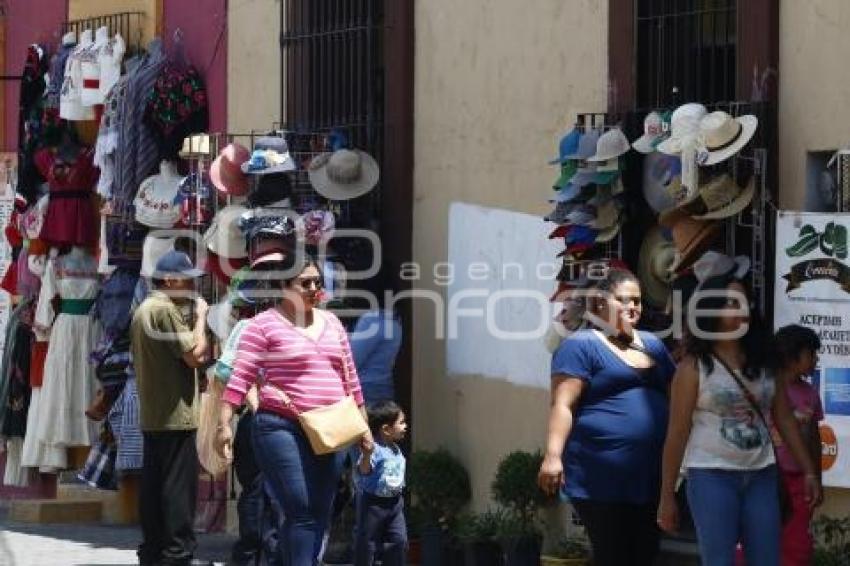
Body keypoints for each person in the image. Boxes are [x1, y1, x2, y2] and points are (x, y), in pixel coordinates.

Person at [657, 268, 823, 566]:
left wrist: (810, 471)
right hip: (710, 475)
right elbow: (677, 432)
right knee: (719, 560)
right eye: (731, 303)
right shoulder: (693, 367)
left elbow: (784, 419)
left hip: (762, 474)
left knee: (767, 559)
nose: (741, 309)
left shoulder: (765, 362)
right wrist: (666, 495)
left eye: (745, 302)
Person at [216, 254, 373, 565]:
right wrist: (224, 424)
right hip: (280, 425)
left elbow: (350, 377)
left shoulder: (332, 323)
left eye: (317, 282)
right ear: (284, 286)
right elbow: (241, 376)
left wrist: (363, 425)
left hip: (331, 426)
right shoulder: (262, 326)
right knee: (299, 509)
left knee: (319, 511)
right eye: (305, 283)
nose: (313, 288)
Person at [538, 267, 676, 566]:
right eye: (623, 300)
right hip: (599, 476)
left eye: (637, 301)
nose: (632, 307)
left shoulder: (653, 344)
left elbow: (674, 399)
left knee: (644, 555)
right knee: (613, 554)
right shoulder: (581, 345)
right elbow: (562, 405)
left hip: (649, 476)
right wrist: (552, 456)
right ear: (600, 304)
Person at [129, 250, 210, 566]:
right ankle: (177, 551)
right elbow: (193, 354)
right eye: (187, 280)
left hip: (156, 413)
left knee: (155, 485)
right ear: (170, 279)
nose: (191, 288)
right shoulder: (163, 310)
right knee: (177, 489)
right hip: (175, 416)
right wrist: (202, 317)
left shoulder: (144, 309)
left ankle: (154, 550)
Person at [772, 325, 825, 566]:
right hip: (768, 479)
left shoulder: (810, 394)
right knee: (761, 538)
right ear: (792, 355)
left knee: (797, 545)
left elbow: (815, 439)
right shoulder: (766, 388)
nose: (815, 359)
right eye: (811, 354)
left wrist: (816, 478)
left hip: (800, 481)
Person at [353, 400, 408, 566]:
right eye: (401, 422)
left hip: (395, 504)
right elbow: (364, 470)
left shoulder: (396, 449)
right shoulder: (373, 449)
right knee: (367, 543)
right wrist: (367, 455)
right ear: (386, 429)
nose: (405, 426)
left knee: (399, 540)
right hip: (373, 505)